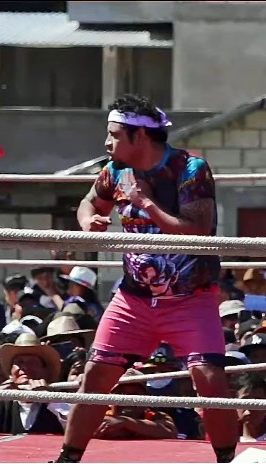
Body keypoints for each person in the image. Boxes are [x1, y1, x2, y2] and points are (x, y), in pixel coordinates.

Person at [54, 94, 239, 463]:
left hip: (190, 297)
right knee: (95, 376)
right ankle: (68, 458)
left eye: (114, 135)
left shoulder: (190, 169)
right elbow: (89, 202)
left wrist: (146, 203)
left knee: (209, 378)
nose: (107, 143)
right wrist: (88, 221)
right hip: (133, 298)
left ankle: (227, 459)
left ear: (139, 136)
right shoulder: (114, 170)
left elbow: (198, 231)